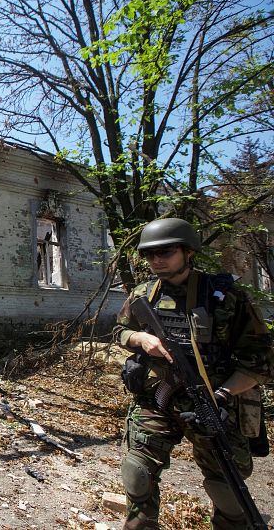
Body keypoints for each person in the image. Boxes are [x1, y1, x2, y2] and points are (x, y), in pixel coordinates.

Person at [114, 217, 273, 529]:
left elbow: (260, 362)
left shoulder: (227, 298)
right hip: (157, 400)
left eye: (166, 252)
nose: (156, 260)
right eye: (150, 255)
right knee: (136, 473)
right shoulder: (142, 295)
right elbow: (120, 330)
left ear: (188, 252)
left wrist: (223, 395)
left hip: (214, 405)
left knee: (227, 488)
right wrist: (141, 339)